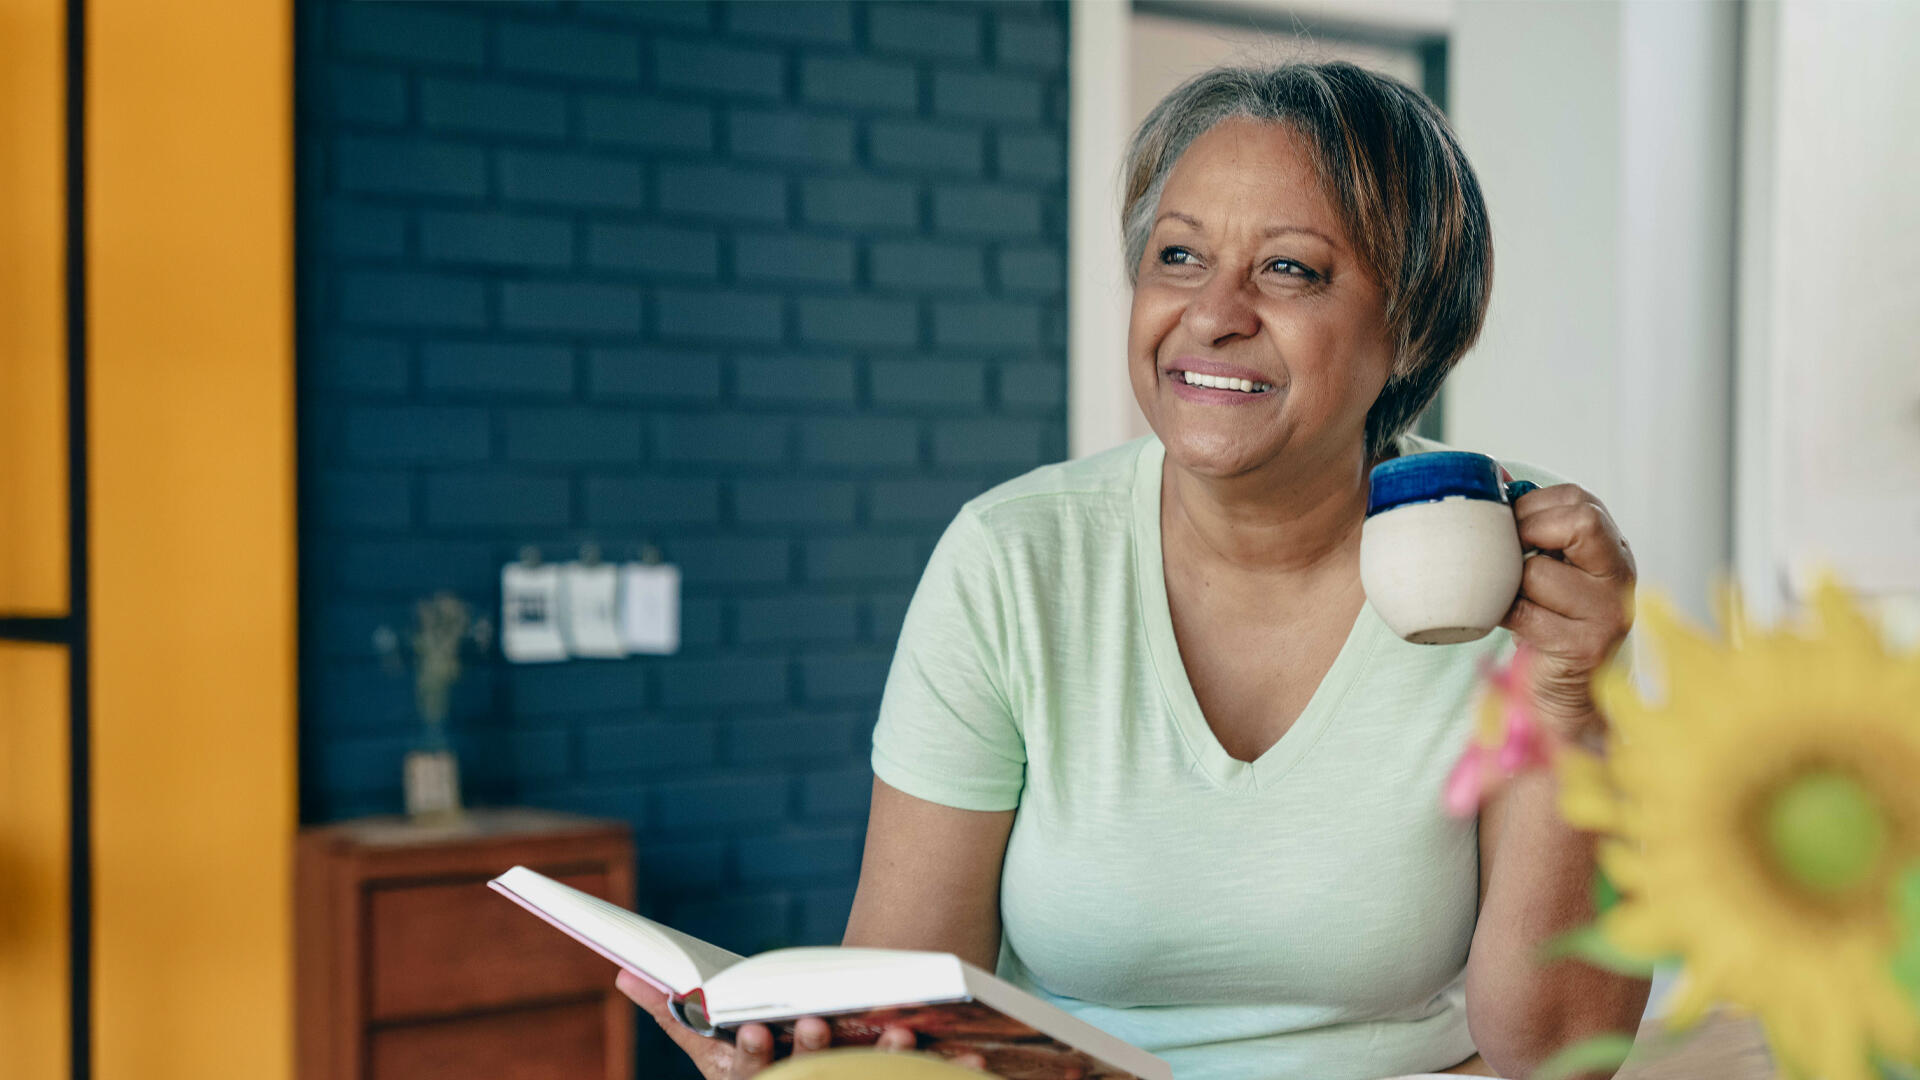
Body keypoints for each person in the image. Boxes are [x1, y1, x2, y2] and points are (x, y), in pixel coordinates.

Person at [624, 61, 1649, 1080]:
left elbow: (1557, 1052)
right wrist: (814, 1066)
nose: (1213, 312)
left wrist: (1571, 704)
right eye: (1179, 256)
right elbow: (903, 1006)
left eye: (1289, 269)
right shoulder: (1011, 561)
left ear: (1412, 327)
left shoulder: (1511, 565)